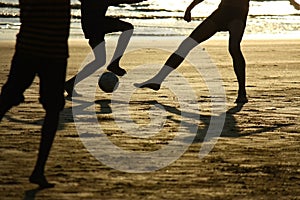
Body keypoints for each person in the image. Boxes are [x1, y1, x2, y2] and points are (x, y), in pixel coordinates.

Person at [0, 0, 70, 188]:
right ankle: (38, 170)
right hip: (50, 48)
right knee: (53, 109)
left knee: (8, 99)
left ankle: (39, 170)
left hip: (33, 45)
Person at [135, 0, 250, 103]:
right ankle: (158, 80)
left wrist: (189, 8)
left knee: (234, 47)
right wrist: (189, 8)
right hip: (222, 13)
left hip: (238, 15)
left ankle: (242, 92)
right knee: (187, 44)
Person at [65, 0, 146, 97]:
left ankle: (70, 84)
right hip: (97, 24)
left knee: (99, 61)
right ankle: (114, 63)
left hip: (89, 25)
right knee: (128, 28)